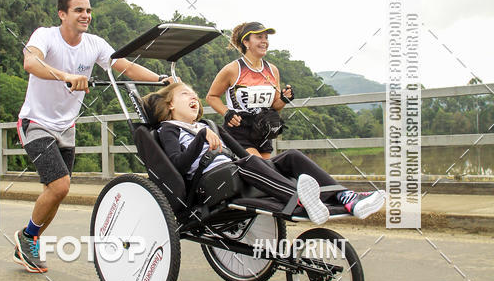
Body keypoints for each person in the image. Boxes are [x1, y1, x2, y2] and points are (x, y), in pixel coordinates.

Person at [14, 0, 169, 273]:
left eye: (88, 10)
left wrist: (160, 80)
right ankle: (28, 237)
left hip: (66, 127)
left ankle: (30, 237)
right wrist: (66, 76)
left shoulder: (94, 44)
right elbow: (30, 63)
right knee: (60, 185)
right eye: (78, 10)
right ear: (62, 14)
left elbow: (125, 67)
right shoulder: (45, 36)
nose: (86, 15)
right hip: (35, 122)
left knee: (57, 191)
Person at [144, 83, 385, 222]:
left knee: (290, 157)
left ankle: (345, 198)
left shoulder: (207, 125)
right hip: (209, 181)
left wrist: (208, 133)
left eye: (194, 94)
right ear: (171, 104)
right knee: (247, 164)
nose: (193, 96)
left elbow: (239, 152)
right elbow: (177, 164)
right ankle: (299, 199)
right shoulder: (169, 129)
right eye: (185, 94)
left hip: (236, 166)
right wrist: (199, 139)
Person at [206, 22, 293, 159]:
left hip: (263, 130)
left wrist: (284, 99)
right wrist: (227, 113)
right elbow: (211, 96)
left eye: (266, 37)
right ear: (246, 42)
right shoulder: (232, 69)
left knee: (268, 172)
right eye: (259, 37)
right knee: (261, 168)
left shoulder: (273, 70)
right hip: (239, 130)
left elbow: (275, 107)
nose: (264, 41)